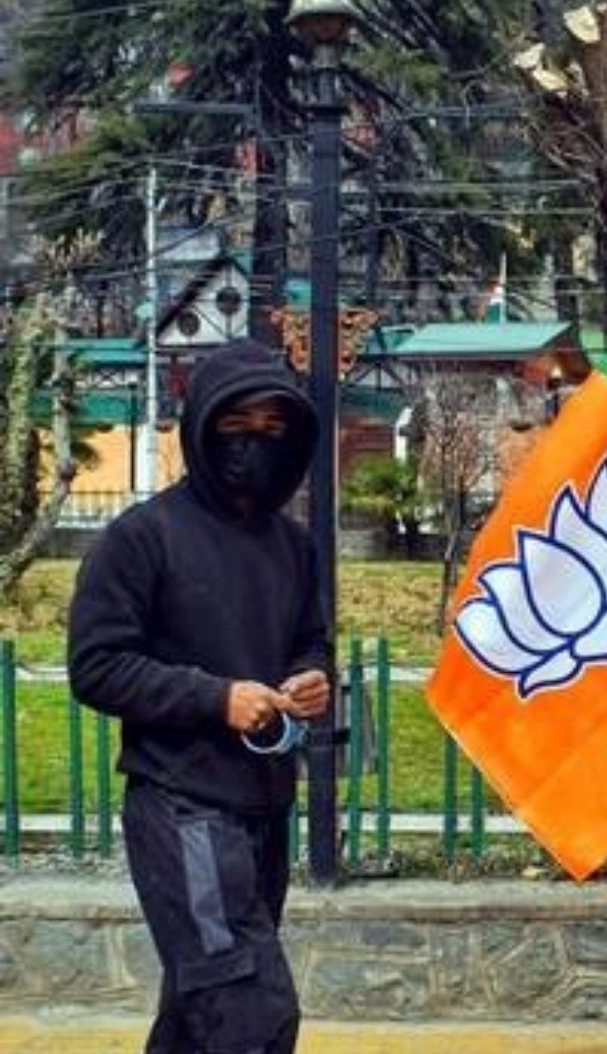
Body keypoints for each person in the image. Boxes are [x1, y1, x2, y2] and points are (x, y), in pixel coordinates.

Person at [68, 339, 330, 1054]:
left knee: (201, 1013)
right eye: (236, 425)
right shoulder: (141, 538)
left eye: (273, 429)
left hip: (264, 806)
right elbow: (96, 665)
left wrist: (310, 676)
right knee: (248, 1009)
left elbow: (311, 640)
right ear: (200, 428)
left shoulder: (294, 546)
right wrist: (217, 698)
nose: (255, 443)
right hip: (181, 805)